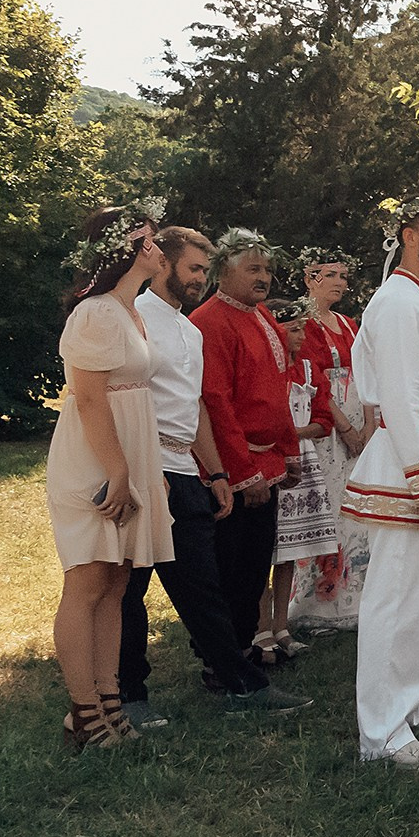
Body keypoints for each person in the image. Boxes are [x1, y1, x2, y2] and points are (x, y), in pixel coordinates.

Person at [122, 225, 306, 725]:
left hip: (185, 467)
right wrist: (143, 469)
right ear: (163, 265)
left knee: (204, 585)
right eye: (194, 269)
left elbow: (198, 406)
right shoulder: (135, 318)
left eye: (204, 270)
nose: (199, 279)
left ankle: (239, 680)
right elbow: (124, 397)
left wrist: (221, 472)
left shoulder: (188, 327)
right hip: (145, 466)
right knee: (129, 587)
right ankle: (129, 695)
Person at [342, 193, 419, 768]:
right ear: (410, 236)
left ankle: (409, 704)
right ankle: (380, 734)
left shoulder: (418, 299)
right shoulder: (396, 302)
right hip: (406, 457)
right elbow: (398, 396)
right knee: (394, 596)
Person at [46, 202, 177, 748]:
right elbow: (91, 399)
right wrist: (119, 472)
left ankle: (108, 702)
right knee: (89, 577)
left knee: (118, 581)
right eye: (147, 239)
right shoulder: (95, 313)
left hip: (132, 453)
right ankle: (82, 713)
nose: (158, 248)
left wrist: (150, 473)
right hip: (97, 457)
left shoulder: (130, 312)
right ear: (124, 249)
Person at [189, 228, 297, 662]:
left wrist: (288, 452)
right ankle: (224, 659)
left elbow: (277, 388)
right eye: (253, 268)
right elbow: (215, 403)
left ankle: (244, 645)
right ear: (222, 271)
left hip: (266, 460)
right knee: (230, 567)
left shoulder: (262, 316)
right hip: (235, 470)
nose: (263, 277)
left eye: (267, 269)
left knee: (254, 566)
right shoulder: (209, 323)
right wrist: (243, 473)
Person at [291, 246, 372, 636]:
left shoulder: (349, 323)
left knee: (357, 507)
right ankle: (318, 604)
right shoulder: (303, 324)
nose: (341, 282)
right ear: (310, 277)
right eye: (332, 275)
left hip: (359, 416)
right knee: (329, 503)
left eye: (344, 275)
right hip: (328, 424)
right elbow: (315, 384)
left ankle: (355, 595)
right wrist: (345, 428)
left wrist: (368, 426)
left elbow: (366, 373)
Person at [257, 298, 339, 661]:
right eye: (293, 329)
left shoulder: (307, 370)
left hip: (301, 462)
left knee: (288, 551)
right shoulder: (266, 369)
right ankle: (260, 628)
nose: (300, 335)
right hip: (272, 460)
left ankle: (281, 626)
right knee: (263, 548)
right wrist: (284, 435)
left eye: (303, 328)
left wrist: (293, 431)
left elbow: (325, 419)